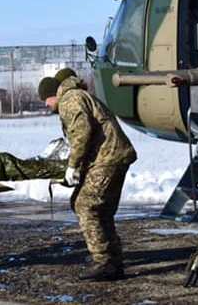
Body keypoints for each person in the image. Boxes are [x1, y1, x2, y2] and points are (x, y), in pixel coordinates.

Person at [39, 69, 137, 281]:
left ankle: (104, 261)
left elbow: (82, 132)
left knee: (85, 205)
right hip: (114, 156)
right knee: (102, 210)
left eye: (45, 100)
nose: (46, 105)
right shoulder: (78, 96)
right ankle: (112, 262)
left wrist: (73, 166)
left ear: (52, 95)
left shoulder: (70, 99)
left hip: (107, 158)